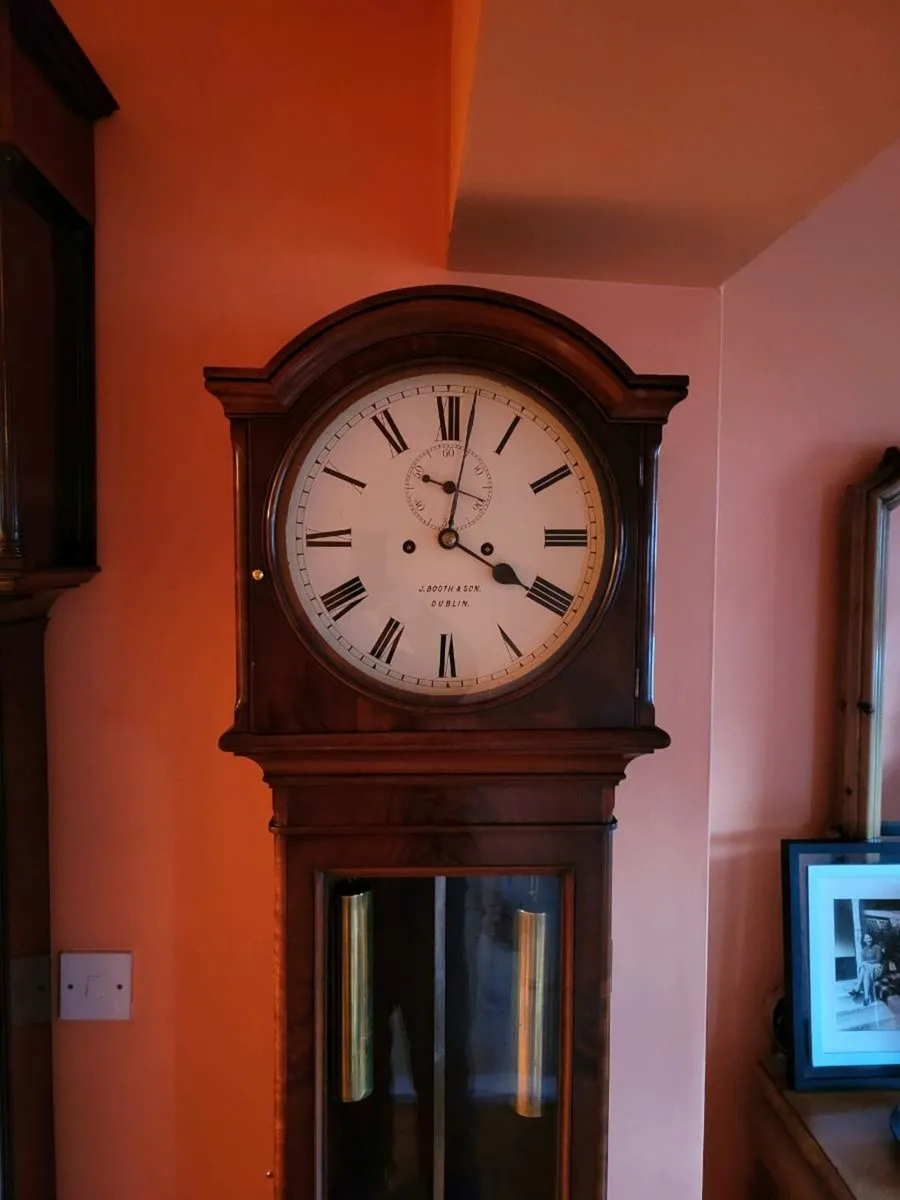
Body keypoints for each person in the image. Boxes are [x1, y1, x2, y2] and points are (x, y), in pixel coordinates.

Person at [849, 932, 885, 1005]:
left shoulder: (877, 947)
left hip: (877, 968)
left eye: (870, 938)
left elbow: (878, 960)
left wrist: (867, 963)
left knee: (865, 968)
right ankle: (866, 997)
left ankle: (857, 988)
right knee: (865, 971)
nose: (869, 940)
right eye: (867, 938)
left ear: (872, 938)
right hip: (868, 969)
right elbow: (863, 961)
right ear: (864, 940)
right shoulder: (864, 950)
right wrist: (866, 964)